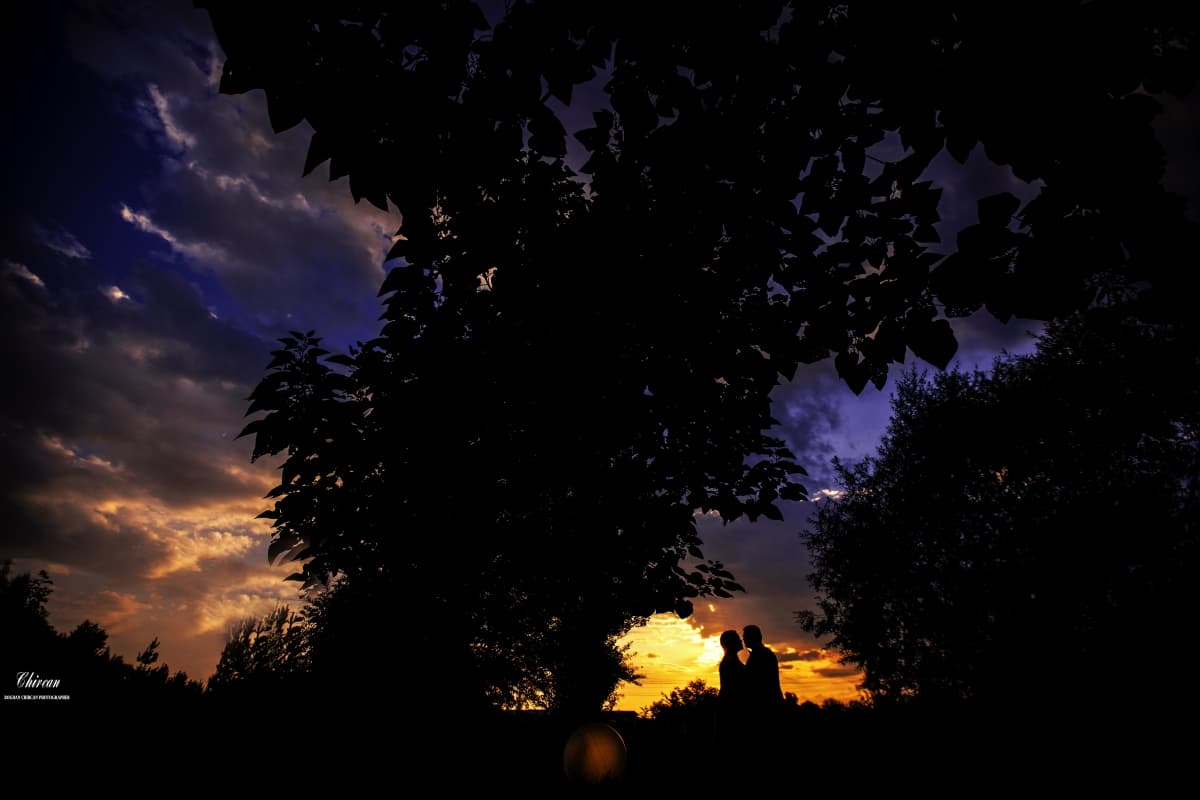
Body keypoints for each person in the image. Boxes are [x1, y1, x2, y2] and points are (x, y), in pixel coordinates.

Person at [743, 624, 783, 750]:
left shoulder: (762, 655)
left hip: (765, 709)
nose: (743, 640)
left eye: (745, 637)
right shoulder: (762, 654)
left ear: (753, 637)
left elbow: (759, 684)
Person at [713, 629, 748, 752]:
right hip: (731, 711)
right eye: (737, 639)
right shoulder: (730, 663)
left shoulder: (732, 661)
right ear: (730, 643)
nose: (740, 641)